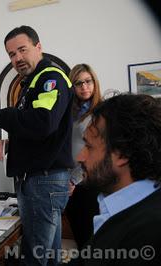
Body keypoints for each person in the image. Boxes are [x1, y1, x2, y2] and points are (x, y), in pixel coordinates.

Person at [0, 25, 74, 265]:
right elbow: (40, 130)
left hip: (43, 180)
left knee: (34, 257)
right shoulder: (32, 82)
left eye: (22, 50)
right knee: (48, 254)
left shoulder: (50, 78)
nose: (17, 58)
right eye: (11, 54)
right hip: (38, 178)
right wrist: (10, 142)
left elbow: (43, 122)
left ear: (39, 47)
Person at [71, 94, 161, 265]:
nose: (80, 157)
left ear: (122, 154)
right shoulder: (118, 206)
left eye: (89, 147)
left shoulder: (150, 232)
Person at [65, 64, 102, 249]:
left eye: (88, 81)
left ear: (94, 83)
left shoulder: (100, 112)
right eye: (78, 83)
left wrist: (74, 180)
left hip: (88, 182)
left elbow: (96, 150)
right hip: (68, 183)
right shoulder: (67, 113)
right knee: (80, 237)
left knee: (91, 239)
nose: (84, 87)